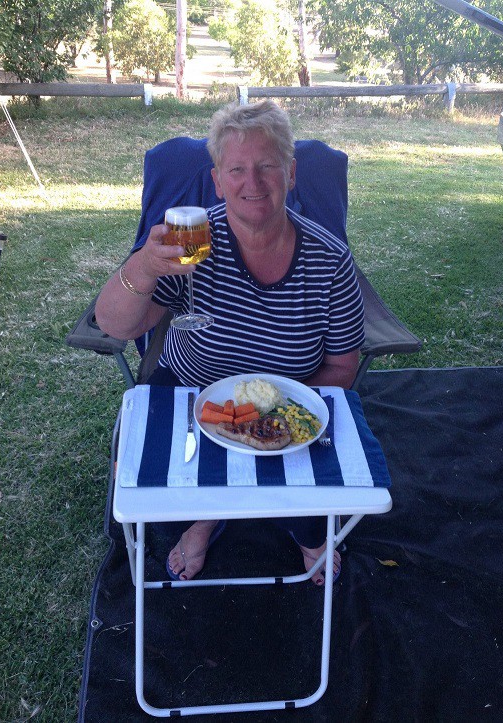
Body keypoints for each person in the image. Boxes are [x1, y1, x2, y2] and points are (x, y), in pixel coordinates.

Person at [95, 100, 365, 585]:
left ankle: (296, 529)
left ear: (291, 174)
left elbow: (343, 365)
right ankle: (204, 519)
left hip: (286, 402)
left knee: (305, 477)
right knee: (158, 499)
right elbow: (116, 325)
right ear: (217, 182)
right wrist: (145, 266)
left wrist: (275, 419)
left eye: (268, 166)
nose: (252, 182)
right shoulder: (192, 245)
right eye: (236, 169)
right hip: (192, 395)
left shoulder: (329, 259)